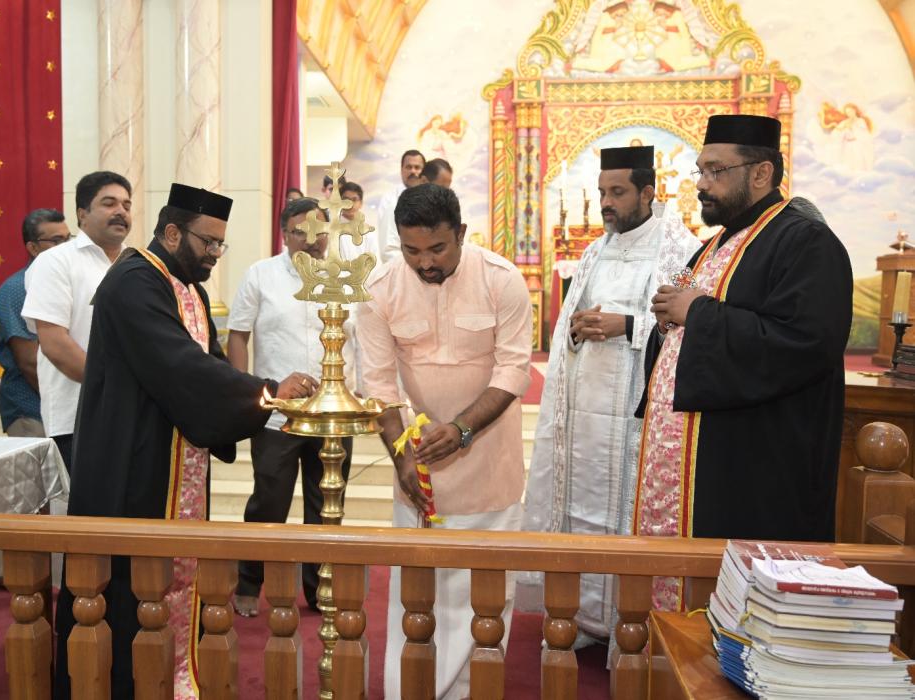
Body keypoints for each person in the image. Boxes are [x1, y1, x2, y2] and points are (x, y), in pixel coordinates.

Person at [53, 183, 315, 699]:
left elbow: (210, 364)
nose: (216, 253)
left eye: (221, 243)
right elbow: (181, 367)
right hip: (131, 466)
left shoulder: (188, 288)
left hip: (175, 463)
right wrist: (266, 392)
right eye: (208, 242)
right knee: (128, 588)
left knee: (175, 580)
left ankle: (174, 678)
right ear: (173, 233)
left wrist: (259, 396)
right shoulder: (133, 282)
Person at [635, 114, 853, 611]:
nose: (701, 184)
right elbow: (682, 328)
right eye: (701, 171)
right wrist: (666, 325)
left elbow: (806, 343)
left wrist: (697, 312)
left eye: (716, 171)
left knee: (735, 607)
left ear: (761, 173)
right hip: (691, 465)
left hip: (750, 468)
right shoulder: (712, 246)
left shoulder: (805, 242)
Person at [357, 183, 532, 698]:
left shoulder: (502, 280)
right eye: (411, 250)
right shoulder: (381, 288)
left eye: (437, 248)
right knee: (417, 595)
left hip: (489, 465)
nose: (425, 263)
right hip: (418, 468)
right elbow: (379, 386)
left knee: (485, 597)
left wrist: (460, 431)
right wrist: (402, 459)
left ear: (461, 233)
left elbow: (513, 371)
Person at [522, 146, 700, 642]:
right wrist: (576, 330)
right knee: (580, 511)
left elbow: (690, 328)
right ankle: (580, 619)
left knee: (624, 515)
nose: (606, 202)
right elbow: (567, 328)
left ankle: (628, 624)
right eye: (602, 192)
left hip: (634, 420)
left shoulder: (682, 252)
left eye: (617, 192)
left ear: (648, 193)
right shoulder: (593, 252)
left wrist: (628, 325)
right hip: (584, 420)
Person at [227, 197, 356, 616]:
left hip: (332, 415)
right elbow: (239, 334)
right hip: (278, 416)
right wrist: (245, 395)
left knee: (326, 505)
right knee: (269, 503)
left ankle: (320, 590)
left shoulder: (344, 275)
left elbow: (359, 338)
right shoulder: (261, 275)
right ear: (284, 234)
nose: (312, 239)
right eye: (301, 231)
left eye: (319, 230)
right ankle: (249, 583)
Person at [21, 171, 132, 472]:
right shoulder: (55, 262)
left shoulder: (137, 264)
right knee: (85, 501)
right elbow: (55, 344)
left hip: (132, 416)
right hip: (77, 418)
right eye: (109, 203)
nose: (121, 211)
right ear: (82, 213)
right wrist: (117, 385)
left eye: (126, 204)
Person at [0, 209, 72, 438]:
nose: (66, 247)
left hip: (63, 406)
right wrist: (64, 403)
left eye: (68, 239)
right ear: (33, 248)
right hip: (31, 409)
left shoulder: (66, 281)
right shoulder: (16, 289)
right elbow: (29, 363)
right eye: (56, 240)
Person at [376, 148, 425, 261]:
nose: (413, 171)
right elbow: (388, 250)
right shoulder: (390, 200)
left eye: (417, 167)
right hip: (401, 267)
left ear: (424, 171)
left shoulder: (431, 198)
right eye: (408, 167)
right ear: (401, 170)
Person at [338, 181, 381, 262]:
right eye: (346, 199)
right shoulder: (331, 229)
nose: (350, 204)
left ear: (361, 203)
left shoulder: (368, 232)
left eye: (354, 199)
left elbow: (374, 261)